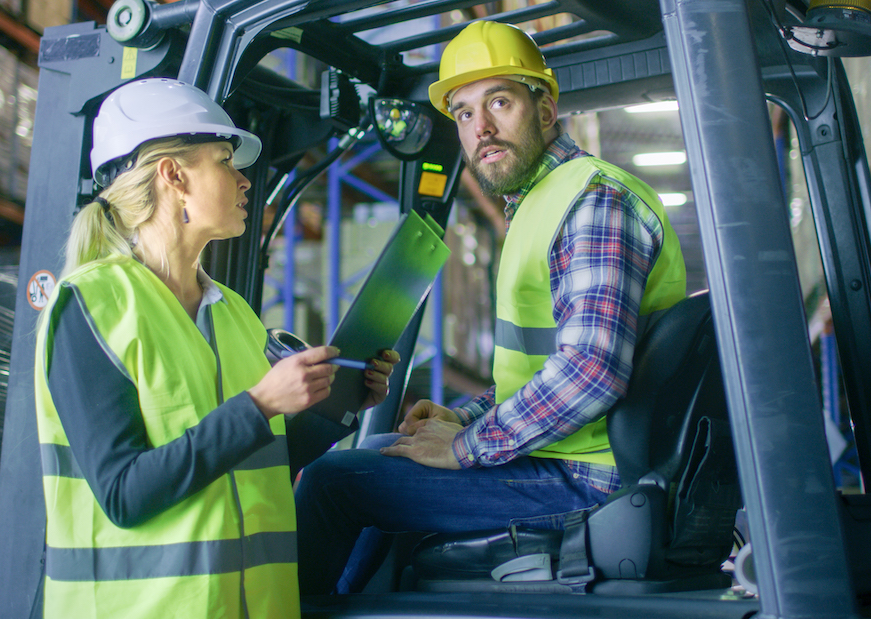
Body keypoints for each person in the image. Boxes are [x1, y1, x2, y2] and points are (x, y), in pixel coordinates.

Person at [294, 20, 686, 594]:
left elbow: (591, 371)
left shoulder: (594, 202)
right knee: (381, 449)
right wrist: (465, 419)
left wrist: (466, 448)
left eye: (499, 101)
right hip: (570, 459)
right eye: (464, 113)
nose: (482, 128)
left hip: (593, 477)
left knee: (332, 481)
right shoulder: (538, 205)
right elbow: (543, 363)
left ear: (546, 110)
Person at [33, 78, 396, 619]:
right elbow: (124, 494)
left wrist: (336, 404)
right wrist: (261, 404)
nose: (244, 180)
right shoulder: (92, 304)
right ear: (173, 175)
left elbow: (261, 464)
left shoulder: (233, 312)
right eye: (225, 161)